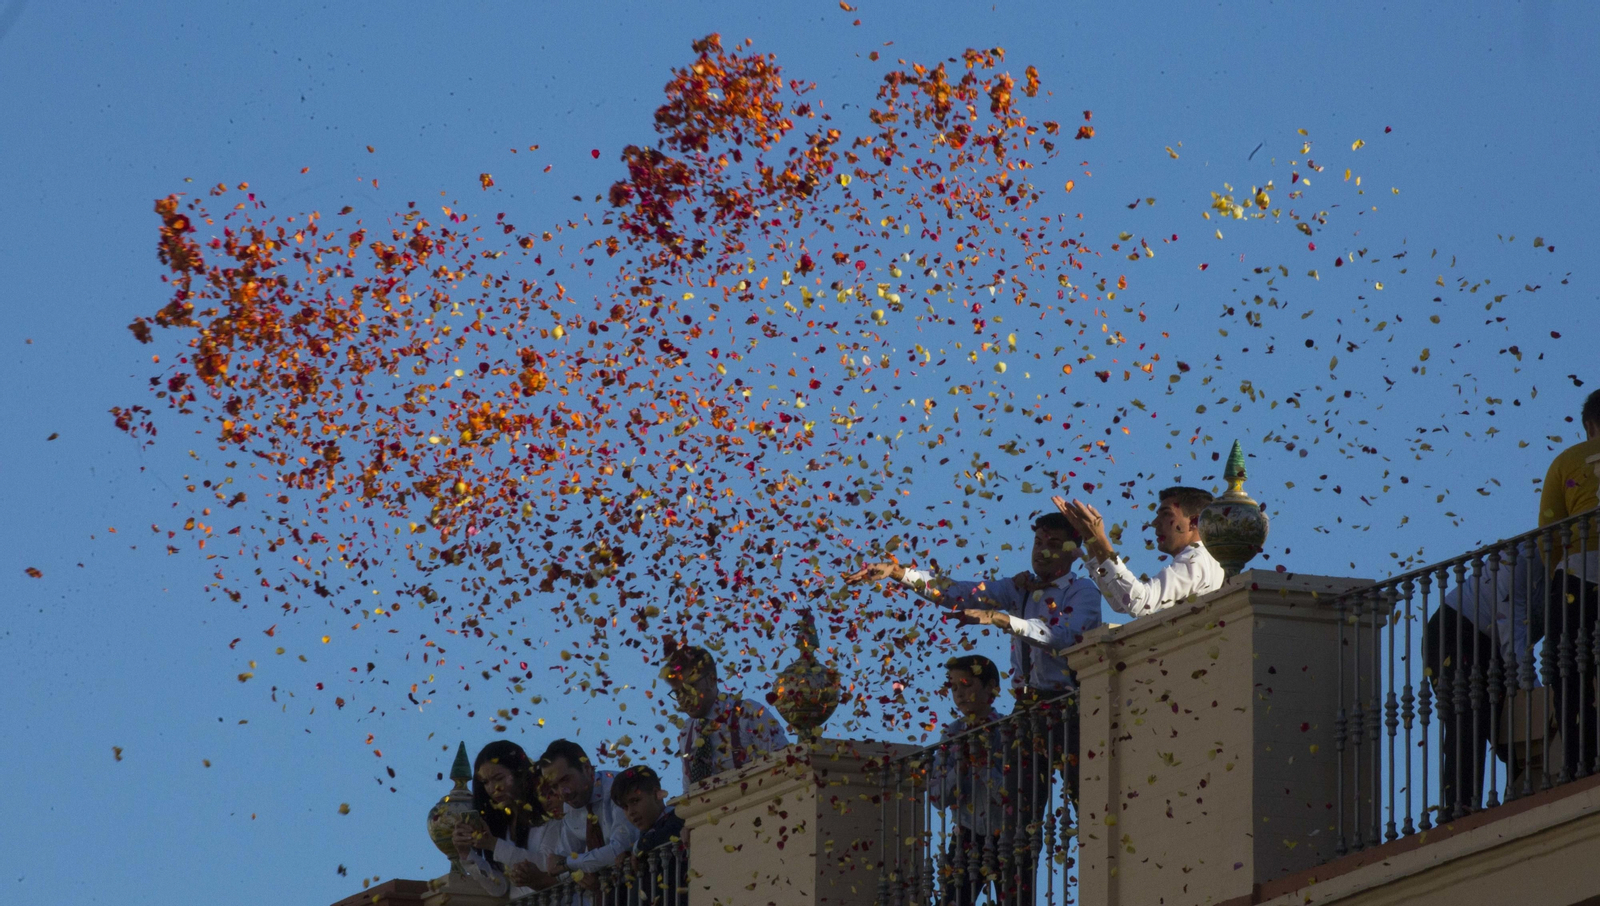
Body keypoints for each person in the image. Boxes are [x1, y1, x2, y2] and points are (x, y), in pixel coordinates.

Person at [844, 509, 1098, 900]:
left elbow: (1068, 636)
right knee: (1018, 816)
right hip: (1027, 714)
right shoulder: (1020, 589)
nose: (1042, 553)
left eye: (1053, 545)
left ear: (1074, 551)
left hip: (1067, 710)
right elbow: (959, 592)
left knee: (1091, 805)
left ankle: (1105, 879)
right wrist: (899, 575)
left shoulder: (1081, 591)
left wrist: (1005, 621)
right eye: (1037, 543)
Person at [1424, 540, 1545, 815]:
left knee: (1514, 727)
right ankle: (1460, 806)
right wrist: (1538, 694)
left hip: (1495, 646)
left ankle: (1522, 800)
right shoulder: (1519, 559)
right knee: (1468, 714)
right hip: (1454, 631)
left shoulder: (1569, 572)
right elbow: (1512, 635)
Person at [1539, 388, 1600, 778]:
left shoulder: (1566, 461)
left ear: (1590, 425)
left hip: (1580, 572)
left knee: (1568, 667)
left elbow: (1550, 533)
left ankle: (1580, 759)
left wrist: (1553, 579)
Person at [1053, 486, 1224, 618]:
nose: (1155, 522)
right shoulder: (1203, 559)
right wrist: (1091, 540)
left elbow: (1140, 603)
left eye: (1166, 514)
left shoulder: (1197, 558)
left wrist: (1100, 539)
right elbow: (1120, 601)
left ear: (1195, 521)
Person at [928, 655, 1011, 906]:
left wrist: (983, 767)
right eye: (953, 688)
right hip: (966, 833)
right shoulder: (952, 733)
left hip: (1007, 834)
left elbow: (1012, 794)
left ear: (991, 687)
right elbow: (938, 798)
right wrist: (961, 769)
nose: (959, 694)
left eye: (966, 685)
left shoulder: (1008, 731)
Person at [661, 644, 790, 787]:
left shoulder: (748, 714)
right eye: (677, 693)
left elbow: (786, 767)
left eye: (690, 688)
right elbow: (689, 794)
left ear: (711, 679)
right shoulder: (686, 732)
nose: (683, 699)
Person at [452, 741, 559, 898]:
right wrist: (467, 854)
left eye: (499, 778)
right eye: (486, 782)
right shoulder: (503, 823)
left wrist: (493, 845)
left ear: (519, 774)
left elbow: (547, 866)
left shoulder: (550, 812)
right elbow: (500, 887)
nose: (493, 789)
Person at [540, 739, 641, 891]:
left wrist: (569, 864)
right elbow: (559, 870)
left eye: (565, 780)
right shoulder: (570, 807)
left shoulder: (618, 787)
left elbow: (619, 848)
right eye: (554, 786)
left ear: (587, 768)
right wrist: (578, 872)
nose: (562, 792)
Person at [611, 765, 687, 904]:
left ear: (657, 794)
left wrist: (639, 846)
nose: (631, 812)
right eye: (625, 807)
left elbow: (669, 833)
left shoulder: (678, 816)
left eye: (635, 801)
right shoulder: (645, 834)